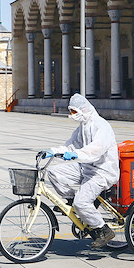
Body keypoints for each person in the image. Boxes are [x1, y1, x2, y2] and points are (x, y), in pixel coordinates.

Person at [42, 93, 120, 248]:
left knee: (82, 202)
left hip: (102, 171)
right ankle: (72, 202)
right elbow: (70, 146)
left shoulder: (101, 125)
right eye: (71, 112)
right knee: (54, 172)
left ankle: (103, 230)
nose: (72, 115)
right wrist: (52, 151)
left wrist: (76, 154)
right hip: (86, 167)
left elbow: (96, 149)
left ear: (84, 109)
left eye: (74, 112)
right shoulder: (82, 127)